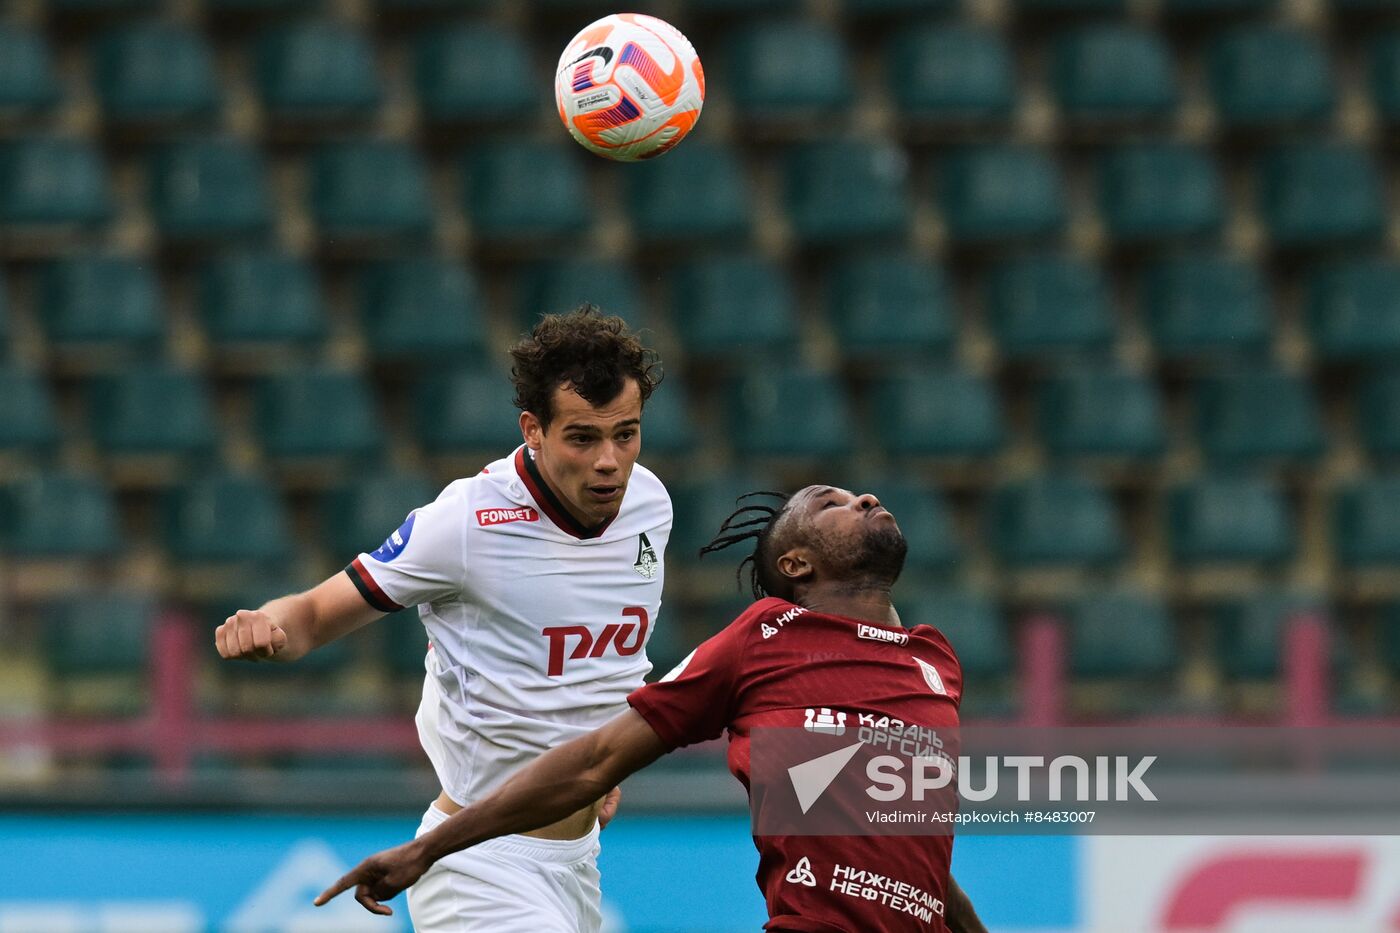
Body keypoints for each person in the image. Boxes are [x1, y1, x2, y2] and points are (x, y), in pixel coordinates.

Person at [316, 484, 988, 933]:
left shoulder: (936, 661)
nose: (864, 496)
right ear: (798, 562)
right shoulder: (766, 639)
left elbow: (911, 852)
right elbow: (596, 760)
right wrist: (429, 848)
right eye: (831, 503)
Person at [214, 307, 672, 932]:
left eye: (626, 433)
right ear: (532, 429)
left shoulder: (650, 504)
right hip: (479, 866)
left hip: (577, 861)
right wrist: (268, 626)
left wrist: (596, 772)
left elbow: (599, 668)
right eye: (583, 437)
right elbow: (317, 612)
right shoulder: (466, 522)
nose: (610, 462)